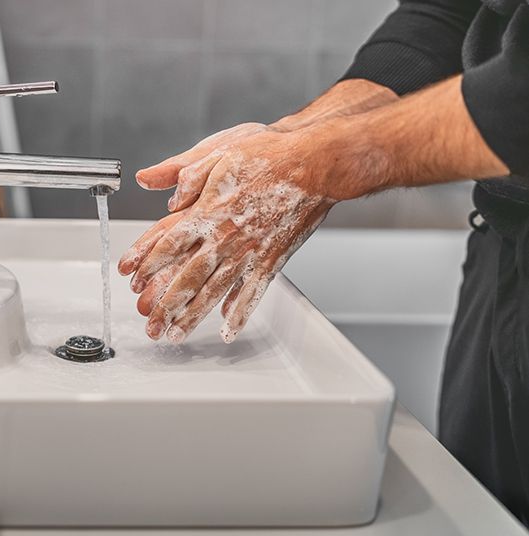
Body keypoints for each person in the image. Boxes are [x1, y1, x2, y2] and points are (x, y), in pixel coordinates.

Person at [118, 0, 529, 525]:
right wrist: (292, 137)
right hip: (501, 252)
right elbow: (446, 11)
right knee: (477, 514)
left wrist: (318, 165)